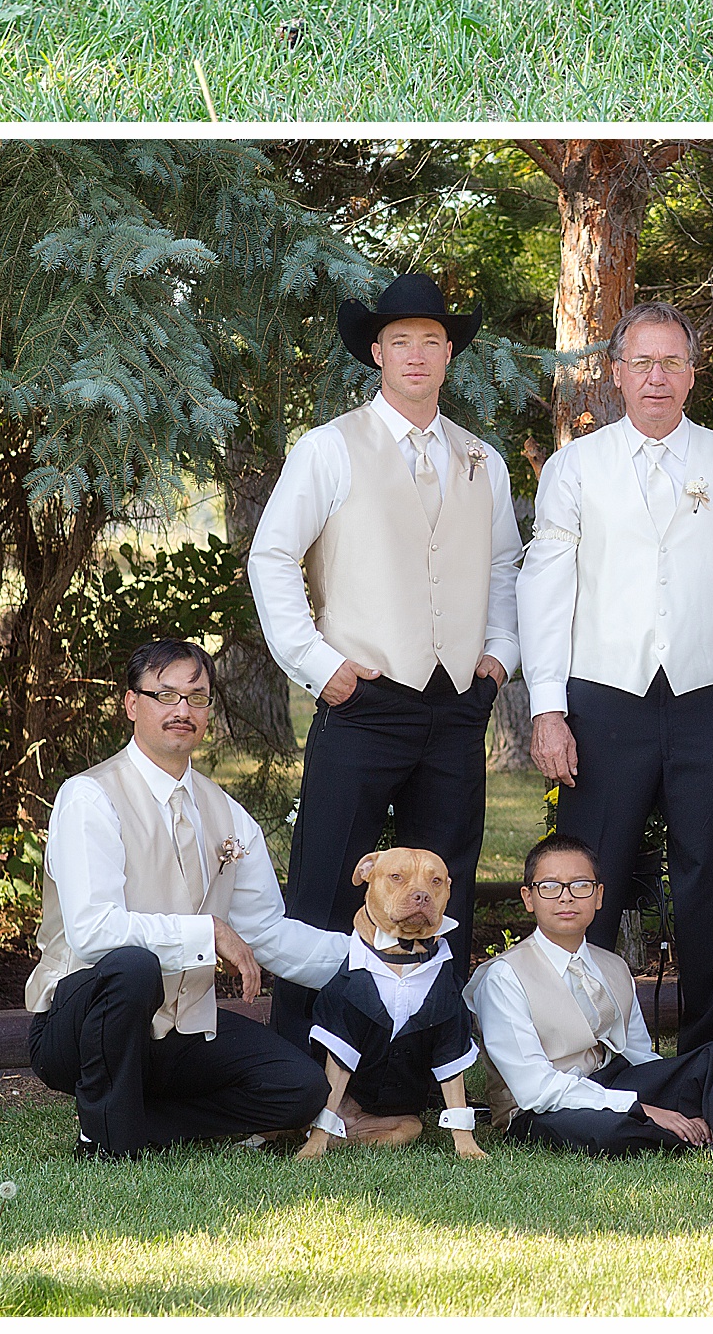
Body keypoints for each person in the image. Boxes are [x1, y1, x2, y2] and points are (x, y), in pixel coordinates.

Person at [246, 271, 523, 1053]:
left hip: (455, 705)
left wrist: (498, 658)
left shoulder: (483, 460)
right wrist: (314, 660)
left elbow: (505, 567)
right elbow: (272, 555)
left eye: (430, 341)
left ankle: (428, 1066)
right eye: (400, 340)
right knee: (329, 883)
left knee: (444, 887)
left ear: (448, 356)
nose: (415, 354)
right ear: (376, 350)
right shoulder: (330, 447)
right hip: (363, 699)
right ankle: (299, 1069)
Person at [518, 301, 713, 1051]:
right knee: (589, 879)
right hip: (603, 699)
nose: (656, 377)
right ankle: (578, 1049)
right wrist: (547, 706)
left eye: (672, 361)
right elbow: (547, 591)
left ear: (692, 373)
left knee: (712, 879)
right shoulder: (578, 466)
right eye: (641, 362)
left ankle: (712, 1056)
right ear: (615, 374)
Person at [25, 638, 342, 1157]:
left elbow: (264, 932)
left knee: (300, 1088)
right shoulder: (89, 797)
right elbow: (93, 930)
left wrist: (366, 962)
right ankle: (106, 1140)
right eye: (165, 695)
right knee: (132, 967)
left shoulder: (229, 815)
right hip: (80, 1025)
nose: (182, 711)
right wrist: (207, 932)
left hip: (180, 1028)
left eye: (197, 698)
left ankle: (136, 1119)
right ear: (132, 704)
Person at [468, 833, 713, 1153]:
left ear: (598, 896)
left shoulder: (612, 966)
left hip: (609, 1079)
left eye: (580, 885)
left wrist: (669, 1093)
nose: (566, 897)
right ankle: (696, 1128)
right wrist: (645, 1109)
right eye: (550, 886)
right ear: (529, 898)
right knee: (611, 1130)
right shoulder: (505, 976)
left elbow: (640, 1058)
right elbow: (536, 1089)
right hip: (538, 1107)